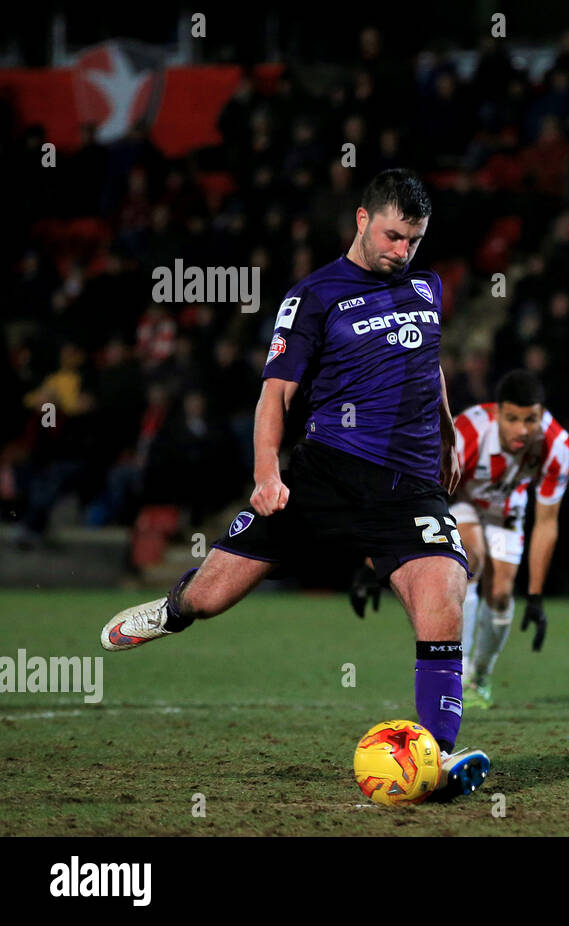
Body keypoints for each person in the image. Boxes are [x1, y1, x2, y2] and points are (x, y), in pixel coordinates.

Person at [99, 169, 489, 799]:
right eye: (393, 236)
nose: (403, 251)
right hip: (324, 475)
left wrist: (446, 433)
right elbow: (274, 394)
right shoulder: (314, 296)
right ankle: (175, 608)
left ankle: (436, 758)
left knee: (445, 591)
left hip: (410, 486)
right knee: (212, 597)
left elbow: (429, 362)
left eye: (414, 240)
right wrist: (265, 474)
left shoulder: (427, 284)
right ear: (362, 220)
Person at [451, 370, 569, 708]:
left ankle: (481, 676)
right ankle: (455, 675)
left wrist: (535, 595)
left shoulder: (556, 445)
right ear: (496, 413)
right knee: (469, 566)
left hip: (508, 510)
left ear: (541, 414)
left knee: (503, 596)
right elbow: (430, 488)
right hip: (463, 501)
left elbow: (547, 522)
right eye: (513, 419)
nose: (522, 430)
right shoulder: (467, 431)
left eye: (530, 419)